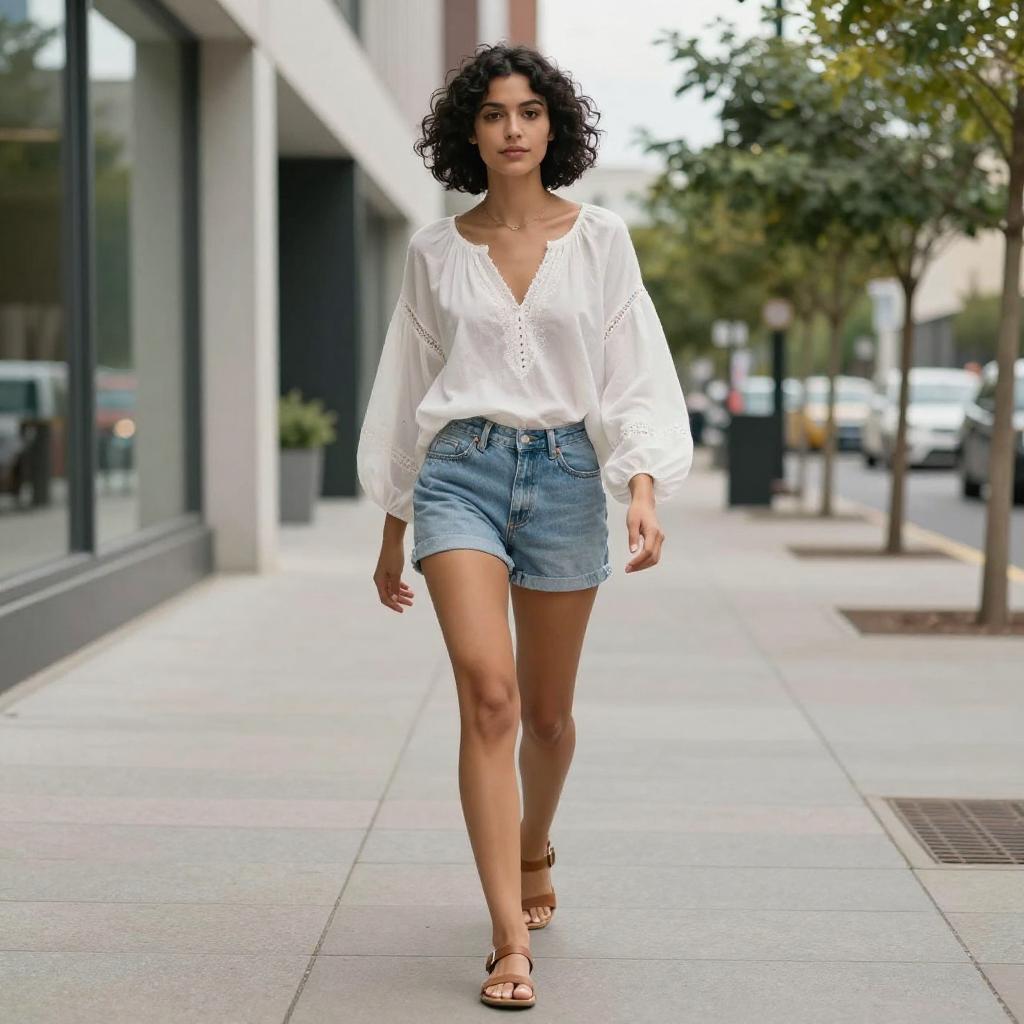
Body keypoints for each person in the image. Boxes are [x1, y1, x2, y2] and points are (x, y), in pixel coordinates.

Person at [355, 42, 693, 1010]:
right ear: (469, 131)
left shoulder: (601, 239)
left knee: (546, 716)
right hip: (458, 473)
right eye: (495, 113)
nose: (513, 129)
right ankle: (508, 940)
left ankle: (534, 840)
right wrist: (393, 523)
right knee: (489, 698)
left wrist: (640, 484)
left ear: (554, 128)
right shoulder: (433, 250)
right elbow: (407, 386)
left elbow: (632, 369)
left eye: (530, 112)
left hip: (565, 476)